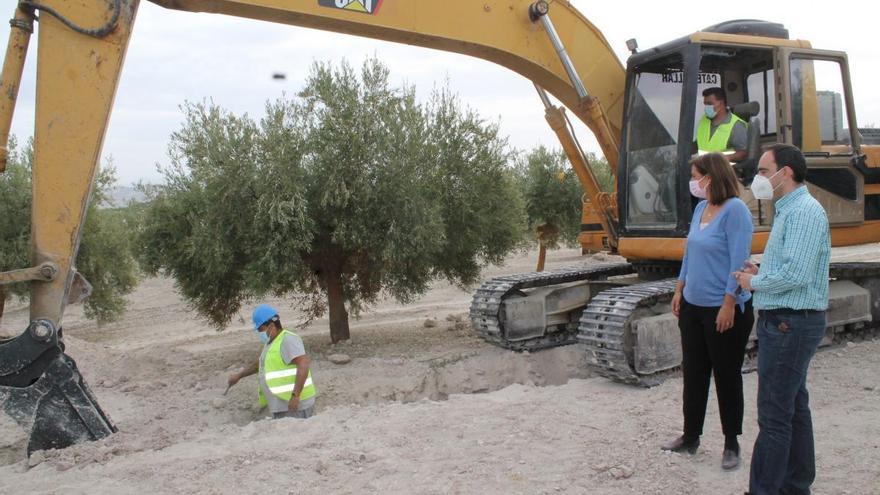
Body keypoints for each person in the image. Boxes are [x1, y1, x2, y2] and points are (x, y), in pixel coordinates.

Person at [734, 144, 830, 495]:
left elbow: (798, 274)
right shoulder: (789, 210)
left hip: (790, 323)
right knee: (793, 408)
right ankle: (795, 485)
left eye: (762, 170)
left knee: (774, 416)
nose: (758, 178)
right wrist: (762, 270)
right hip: (788, 319)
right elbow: (790, 268)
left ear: (784, 172)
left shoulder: (803, 212)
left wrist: (753, 282)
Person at [663, 152, 754, 471]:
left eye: (695, 175)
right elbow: (690, 253)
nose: (693, 183)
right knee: (694, 372)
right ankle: (691, 436)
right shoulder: (701, 208)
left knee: (727, 375)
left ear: (710, 177)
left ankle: (732, 442)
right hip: (693, 306)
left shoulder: (736, 212)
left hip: (723, 309)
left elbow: (739, 260)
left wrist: (730, 302)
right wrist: (679, 288)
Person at [228, 304, 317, 419]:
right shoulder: (271, 342)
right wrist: (239, 376)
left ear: (270, 325)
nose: (259, 333)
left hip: (295, 405)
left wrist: (295, 396)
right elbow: (260, 364)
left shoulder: (287, 339)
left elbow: (303, 364)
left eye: (260, 329)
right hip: (282, 405)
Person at [695, 87, 748, 163]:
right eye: (705, 104)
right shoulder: (704, 120)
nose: (706, 107)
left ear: (721, 103)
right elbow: (697, 143)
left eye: (709, 104)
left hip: (725, 170)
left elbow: (743, 153)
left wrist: (721, 159)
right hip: (703, 167)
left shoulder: (736, 125)